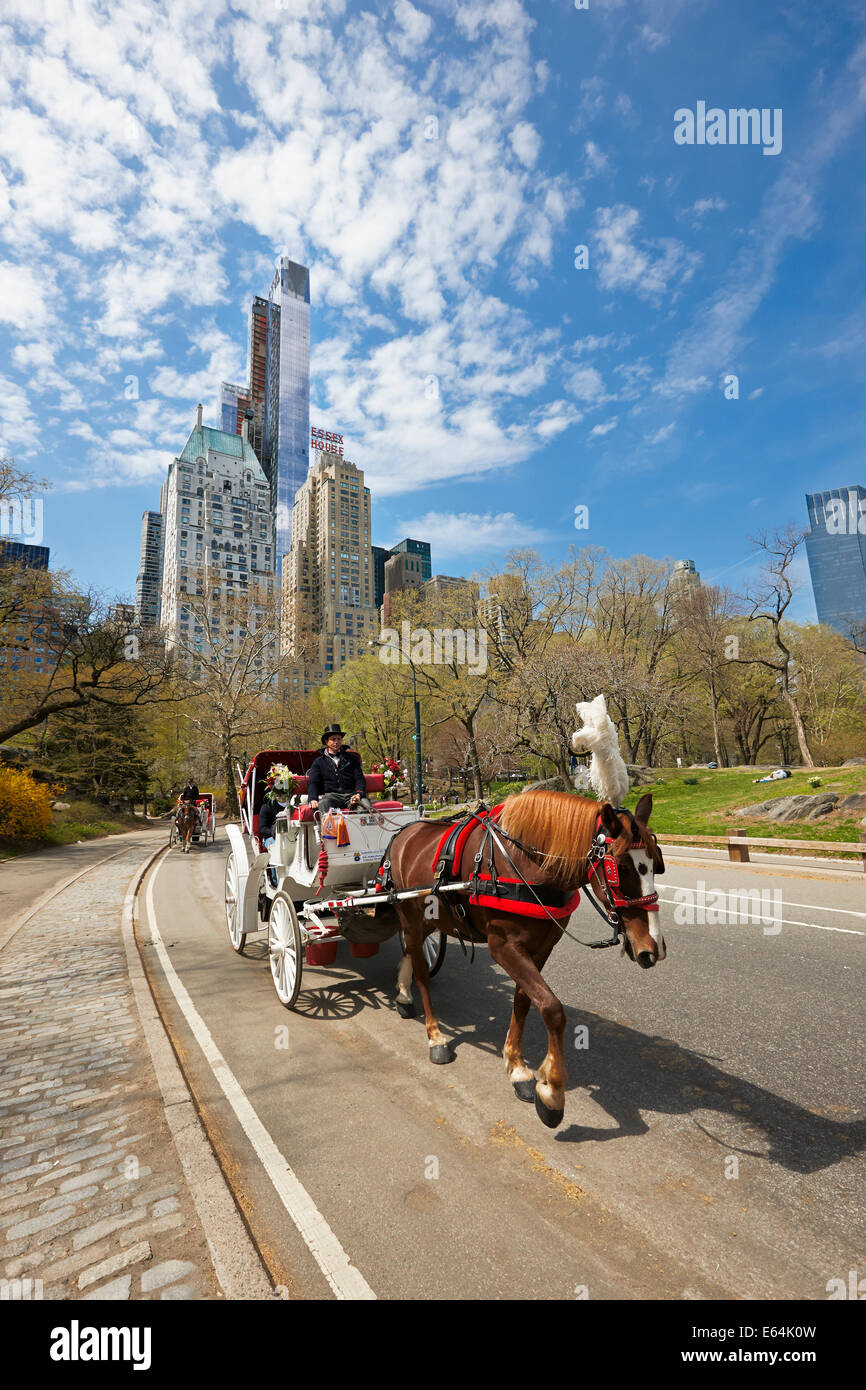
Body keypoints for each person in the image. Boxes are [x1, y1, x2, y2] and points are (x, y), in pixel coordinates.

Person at [308, 724, 371, 815]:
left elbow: (359, 779)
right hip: (331, 796)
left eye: (339, 739)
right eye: (333, 739)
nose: (336, 742)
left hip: (351, 795)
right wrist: (313, 798)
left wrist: (358, 794)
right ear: (326, 741)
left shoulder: (352, 758)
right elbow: (313, 782)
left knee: (366, 805)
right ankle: (329, 829)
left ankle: (359, 829)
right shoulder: (318, 762)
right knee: (323, 803)